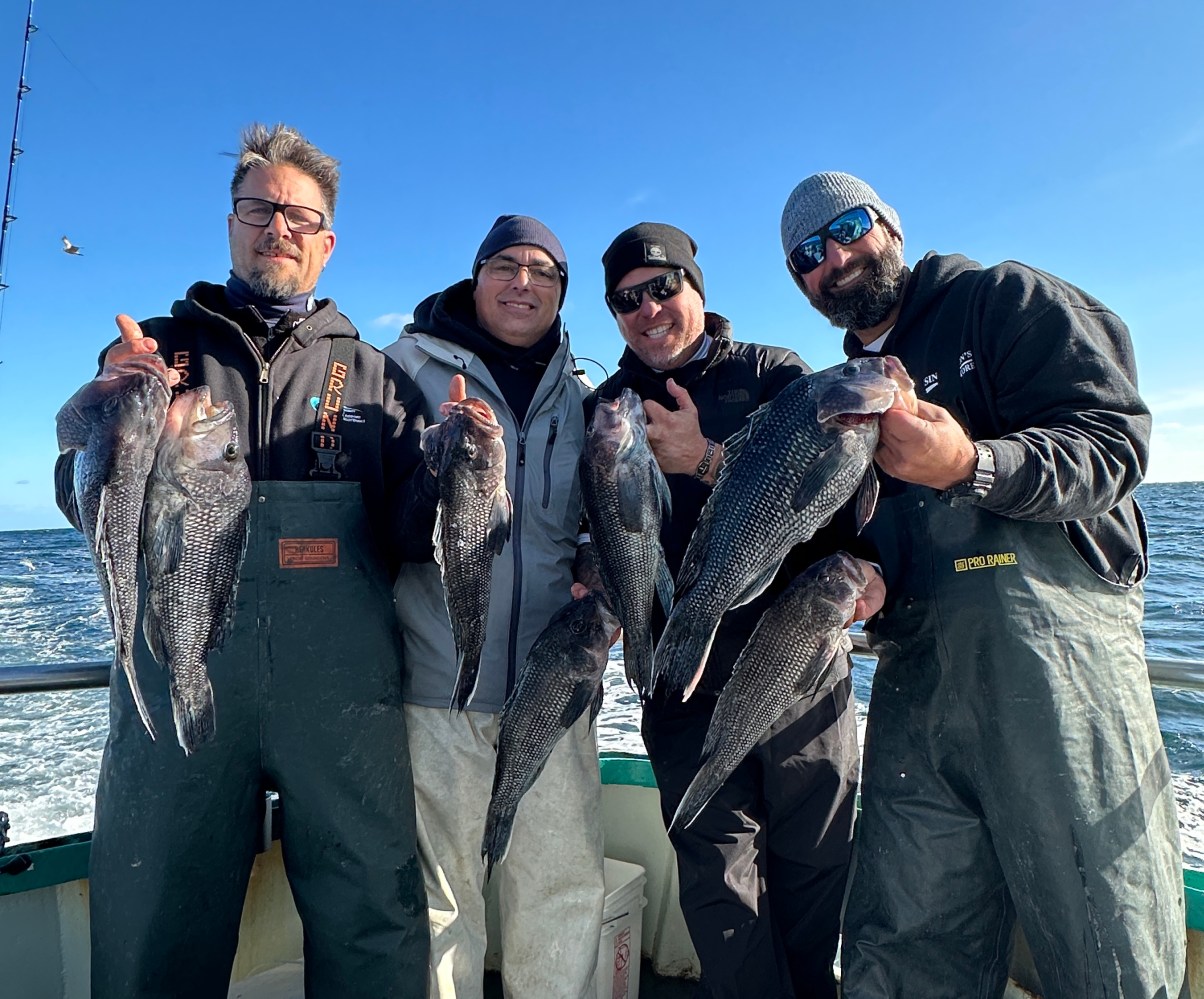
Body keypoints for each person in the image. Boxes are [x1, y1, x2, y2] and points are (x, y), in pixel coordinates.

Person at [780, 171, 1188, 998]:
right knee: (901, 945)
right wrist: (870, 578)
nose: (835, 258)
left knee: (1107, 944)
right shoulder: (838, 399)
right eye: (807, 256)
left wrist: (974, 463)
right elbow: (872, 536)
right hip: (918, 697)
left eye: (849, 226)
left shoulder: (1003, 299)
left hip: (1061, 685)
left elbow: (1114, 442)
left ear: (890, 225)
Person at [54, 122, 430, 997]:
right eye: (260, 208)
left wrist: (454, 471)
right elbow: (82, 501)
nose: (278, 228)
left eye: (300, 216)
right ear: (231, 222)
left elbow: (417, 537)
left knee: (373, 912)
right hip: (176, 665)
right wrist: (114, 406)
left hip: (340, 698)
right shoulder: (153, 349)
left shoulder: (375, 375)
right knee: (155, 918)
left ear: (327, 244)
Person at [590, 222, 867, 998]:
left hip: (800, 673)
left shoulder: (779, 375)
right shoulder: (602, 409)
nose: (647, 310)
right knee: (721, 892)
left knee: (816, 875)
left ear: (697, 290)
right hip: (679, 689)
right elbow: (587, 534)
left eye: (662, 287)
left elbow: (841, 515)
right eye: (625, 300)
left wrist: (706, 459)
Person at [384, 215, 603, 999]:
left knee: (562, 890)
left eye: (544, 272)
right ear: (474, 276)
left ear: (560, 292)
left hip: (553, 688)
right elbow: (370, 522)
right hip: (437, 689)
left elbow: (599, 523)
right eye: (506, 265)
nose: (524, 282)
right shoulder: (400, 367)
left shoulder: (584, 397)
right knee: (442, 906)